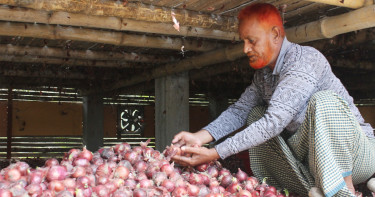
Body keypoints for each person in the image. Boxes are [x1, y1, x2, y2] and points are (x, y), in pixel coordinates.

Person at [171, 3, 375, 197]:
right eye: (243, 41)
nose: (245, 49)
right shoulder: (263, 77)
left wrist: (215, 153)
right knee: (254, 114)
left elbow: (274, 122)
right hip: (313, 165)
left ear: (276, 34)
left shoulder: (305, 60)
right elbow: (239, 111)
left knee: (323, 101)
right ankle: (319, 188)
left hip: (359, 158)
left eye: (251, 41)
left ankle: (343, 189)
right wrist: (199, 137)